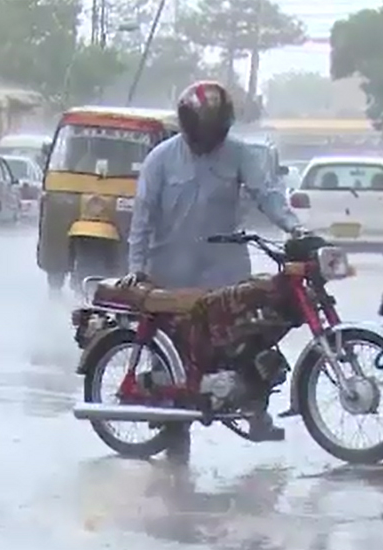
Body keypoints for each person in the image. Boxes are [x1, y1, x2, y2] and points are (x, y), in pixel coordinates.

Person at [123, 81, 309, 444]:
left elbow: (267, 195)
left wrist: (295, 229)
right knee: (173, 359)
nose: (211, 138)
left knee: (249, 340)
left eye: (217, 130)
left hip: (225, 272)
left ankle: (256, 412)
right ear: (188, 125)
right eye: (204, 130)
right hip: (171, 273)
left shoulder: (240, 154)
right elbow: (141, 218)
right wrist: (137, 269)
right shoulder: (160, 160)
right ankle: (173, 429)